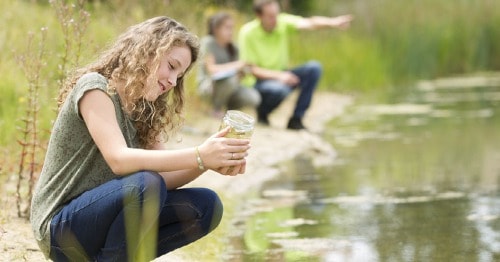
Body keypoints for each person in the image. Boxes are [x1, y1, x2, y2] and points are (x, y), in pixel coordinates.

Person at [30, 16, 251, 261]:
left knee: (207, 205)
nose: (173, 80)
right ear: (146, 51)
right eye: (172, 65)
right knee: (147, 183)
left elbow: (165, 178)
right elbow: (119, 160)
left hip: (106, 224)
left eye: (180, 74)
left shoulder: (146, 110)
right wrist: (199, 153)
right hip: (61, 230)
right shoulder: (96, 88)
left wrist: (206, 163)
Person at [238, 0, 353, 130]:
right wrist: (280, 76)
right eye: (270, 16)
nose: (275, 20)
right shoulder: (247, 33)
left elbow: (310, 23)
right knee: (279, 89)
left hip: (283, 74)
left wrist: (332, 23)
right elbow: (250, 69)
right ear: (259, 16)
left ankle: (296, 119)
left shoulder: (282, 22)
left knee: (314, 68)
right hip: (259, 82)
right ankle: (263, 113)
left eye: (276, 15)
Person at [198, 12, 261, 117]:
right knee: (231, 80)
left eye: (232, 28)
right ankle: (215, 109)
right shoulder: (208, 43)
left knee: (254, 97)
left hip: (230, 88)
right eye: (227, 28)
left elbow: (236, 75)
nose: (231, 32)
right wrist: (237, 65)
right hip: (209, 87)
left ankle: (229, 112)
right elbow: (211, 69)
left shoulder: (234, 48)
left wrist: (242, 72)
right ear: (216, 29)